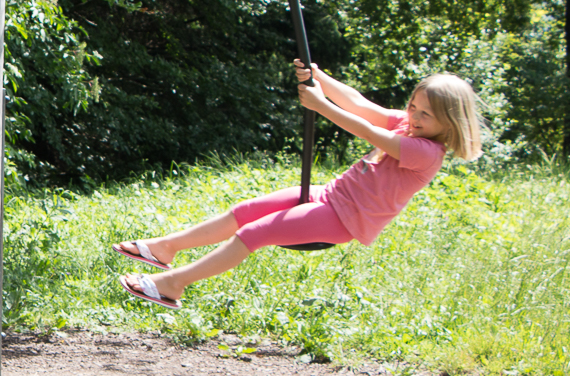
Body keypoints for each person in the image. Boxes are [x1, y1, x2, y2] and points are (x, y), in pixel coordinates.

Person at [114, 61, 483, 309]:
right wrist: (320, 77)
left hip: (344, 218)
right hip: (330, 195)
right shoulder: (407, 124)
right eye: (412, 106)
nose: (413, 116)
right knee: (245, 212)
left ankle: (173, 283)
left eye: (425, 114)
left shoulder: (426, 152)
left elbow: (366, 129)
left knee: (255, 232)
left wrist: (321, 106)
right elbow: (360, 104)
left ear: (449, 122)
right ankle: (165, 248)